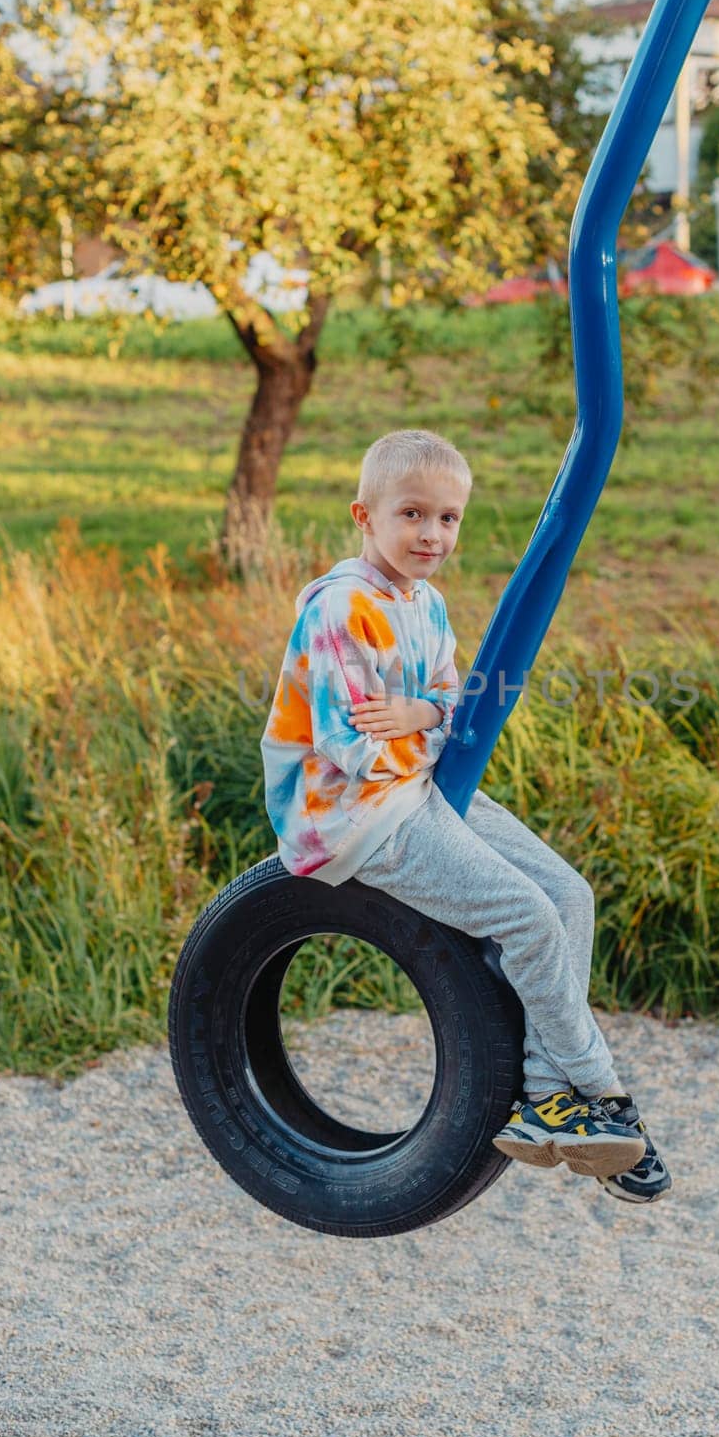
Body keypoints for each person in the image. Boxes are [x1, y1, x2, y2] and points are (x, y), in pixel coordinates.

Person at [261, 428, 671, 1205]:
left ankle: (549, 1093)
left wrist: (419, 712)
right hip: (352, 816)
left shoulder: (427, 605)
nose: (431, 535)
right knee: (525, 914)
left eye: (447, 519)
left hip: (417, 785)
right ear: (365, 515)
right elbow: (352, 746)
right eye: (411, 514)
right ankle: (602, 1089)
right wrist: (432, 718)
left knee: (569, 897)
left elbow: (457, 706)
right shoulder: (342, 610)